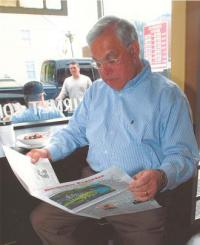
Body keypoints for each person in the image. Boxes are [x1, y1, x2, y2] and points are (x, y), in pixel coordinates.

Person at [27, 16, 199, 245]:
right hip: (93, 185)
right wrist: (48, 151)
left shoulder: (167, 95)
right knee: (42, 221)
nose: (104, 72)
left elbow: (184, 155)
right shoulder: (95, 91)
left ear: (134, 50)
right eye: (98, 63)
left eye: (111, 60)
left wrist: (160, 176)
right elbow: (74, 132)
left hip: (138, 193)